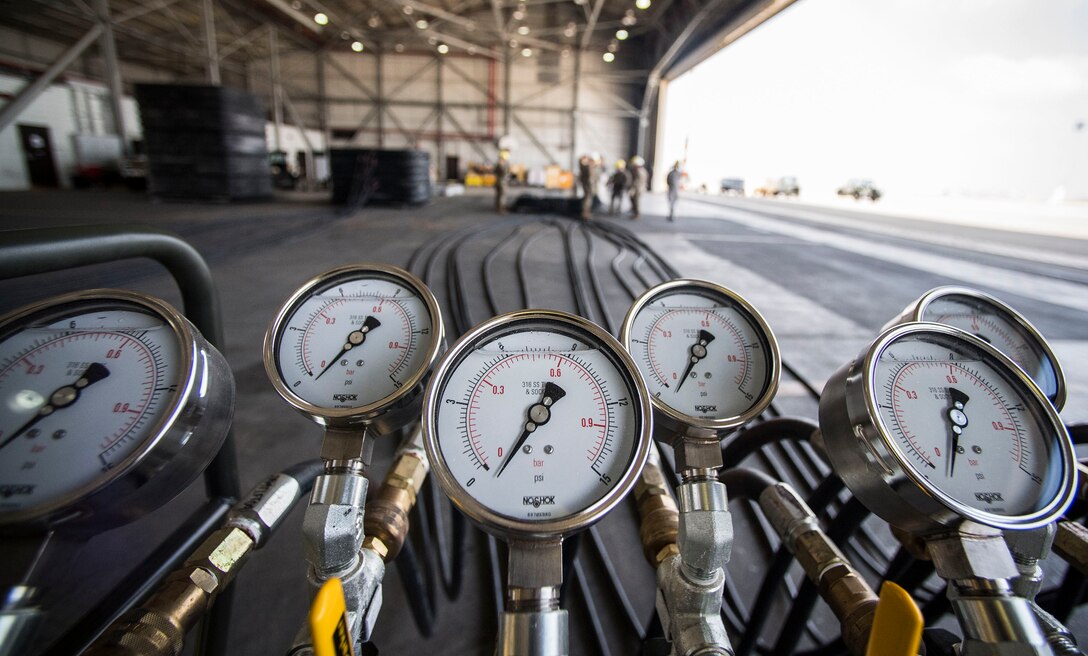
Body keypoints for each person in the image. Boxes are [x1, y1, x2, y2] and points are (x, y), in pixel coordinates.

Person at [579, 153, 601, 220]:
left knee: (588, 199)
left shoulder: (589, 166)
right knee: (588, 199)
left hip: (587, 185)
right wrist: (592, 188)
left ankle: (586, 212)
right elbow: (590, 179)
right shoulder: (590, 167)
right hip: (589, 186)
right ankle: (585, 213)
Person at [628, 155, 647, 219]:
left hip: (638, 188)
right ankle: (634, 212)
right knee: (633, 199)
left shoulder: (640, 171)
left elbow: (638, 181)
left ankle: (637, 214)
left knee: (636, 201)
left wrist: (633, 187)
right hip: (636, 188)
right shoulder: (637, 170)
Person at [495, 149, 510, 214]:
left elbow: (495, 171)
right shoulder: (502, 163)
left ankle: (498, 207)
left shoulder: (499, 163)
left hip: (499, 181)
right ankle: (501, 208)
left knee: (499, 195)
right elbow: (505, 173)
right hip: (502, 182)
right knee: (502, 195)